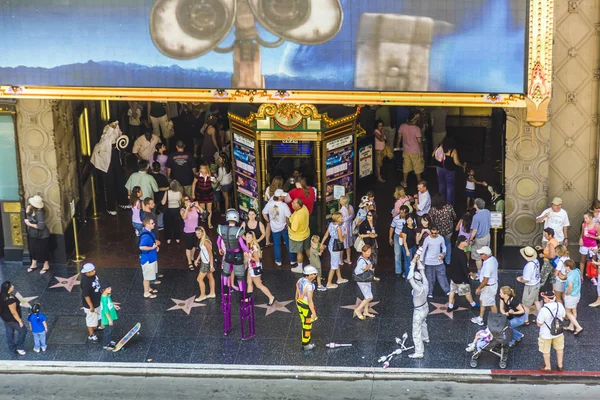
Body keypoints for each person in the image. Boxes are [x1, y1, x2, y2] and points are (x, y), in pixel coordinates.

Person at [217, 209, 253, 338]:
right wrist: (248, 251)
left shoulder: (222, 229)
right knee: (240, 276)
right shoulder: (237, 230)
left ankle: (226, 290)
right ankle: (242, 294)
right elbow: (242, 245)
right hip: (237, 255)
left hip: (228, 255)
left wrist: (220, 249)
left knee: (226, 273)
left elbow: (217, 242)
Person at [90, 119, 129, 215]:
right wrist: (111, 128)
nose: (116, 125)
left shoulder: (117, 129)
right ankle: (110, 207)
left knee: (120, 179)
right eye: (114, 124)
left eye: (117, 123)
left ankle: (123, 202)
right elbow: (105, 138)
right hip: (106, 160)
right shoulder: (106, 132)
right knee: (109, 183)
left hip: (115, 155)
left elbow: (120, 136)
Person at [536, 289, 566, 372]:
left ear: (546, 299)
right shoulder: (559, 305)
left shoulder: (544, 310)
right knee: (559, 349)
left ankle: (548, 367)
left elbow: (539, 323)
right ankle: (560, 366)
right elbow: (563, 317)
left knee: (546, 351)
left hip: (546, 334)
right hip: (559, 332)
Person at [244, 231, 275, 305]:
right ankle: (249, 297)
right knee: (249, 282)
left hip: (254, 268)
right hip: (251, 267)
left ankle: (271, 297)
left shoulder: (254, 247)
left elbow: (256, 259)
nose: (247, 238)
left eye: (249, 237)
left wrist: (248, 256)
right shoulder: (250, 246)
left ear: (252, 238)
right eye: (246, 237)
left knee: (259, 285)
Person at [407, 255, 429, 359]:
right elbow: (422, 271)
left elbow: (410, 277)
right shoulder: (425, 284)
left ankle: (419, 352)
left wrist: (412, 263)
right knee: (424, 323)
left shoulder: (417, 289)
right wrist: (419, 261)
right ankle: (426, 338)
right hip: (426, 307)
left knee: (416, 331)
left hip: (418, 311)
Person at [447, 237, 478, 311]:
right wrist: (470, 274)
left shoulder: (454, 250)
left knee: (452, 291)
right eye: (465, 241)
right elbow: (464, 267)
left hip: (453, 276)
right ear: (461, 242)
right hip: (461, 277)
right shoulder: (462, 254)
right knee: (466, 292)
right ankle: (473, 305)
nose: (467, 242)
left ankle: (450, 306)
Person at [262, 189, 292, 267]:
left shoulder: (269, 204)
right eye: (282, 196)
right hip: (284, 227)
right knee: (288, 243)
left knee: (277, 244)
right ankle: (292, 260)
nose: (283, 197)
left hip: (274, 227)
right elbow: (289, 216)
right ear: (279, 197)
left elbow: (263, 213)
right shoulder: (284, 205)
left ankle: (278, 260)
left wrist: (268, 221)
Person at [470, 246, 498, 326]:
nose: (480, 255)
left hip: (488, 287)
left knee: (492, 303)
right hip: (489, 286)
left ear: (485, 255)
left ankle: (495, 321)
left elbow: (486, 280)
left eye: (481, 254)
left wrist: (479, 288)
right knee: (482, 301)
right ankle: (480, 318)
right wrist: (478, 276)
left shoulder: (488, 265)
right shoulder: (492, 259)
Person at [421, 225, 450, 298]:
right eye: (432, 233)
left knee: (442, 276)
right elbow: (423, 249)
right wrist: (422, 260)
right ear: (430, 232)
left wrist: (443, 253)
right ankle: (429, 292)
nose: (434, 234)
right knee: (430, 278)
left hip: (438, 261)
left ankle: (447, 291)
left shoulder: (441, 238)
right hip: (429, 261)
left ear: (438, 232)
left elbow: (444, 247)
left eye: (435, 233)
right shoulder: (427, 239)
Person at [432, 137, 463, 206]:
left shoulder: (439, 146)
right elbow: (456, 162)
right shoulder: (453, 151)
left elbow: (433, 155)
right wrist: (462, 165)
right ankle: (449, 205)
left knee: (441, 185)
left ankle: (441, 202)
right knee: (450, 187)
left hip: (439, 168)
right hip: (449, 170)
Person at [321, 212, 348, 289]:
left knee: (336, 262)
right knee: (333, 265)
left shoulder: (331, 224)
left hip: (331, 244)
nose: (342, 218)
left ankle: (339, 278)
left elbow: (326, 235)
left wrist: (322, 243)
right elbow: (341, 240)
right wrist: (345, 234)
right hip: (336, 247)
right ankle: (329, 283)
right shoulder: (338, 228)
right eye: (341, 217)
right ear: (337, 219)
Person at [25, 195, 51, 274]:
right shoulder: (34, 210)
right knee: (33, 249)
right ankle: (34, 264)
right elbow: (27, 212)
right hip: (34, 235)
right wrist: (29, 206)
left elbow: (41, 226)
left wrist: (29, 224)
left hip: (42, 235)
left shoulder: (39, 213)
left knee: (43, 250)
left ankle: (46, 265)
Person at [397, 113, 424, 188]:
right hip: (416, 151)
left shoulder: (402, 126)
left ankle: (404, 182)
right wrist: (422, 151)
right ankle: (419, 183)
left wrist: (397, 145)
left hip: (406, 150)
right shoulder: (416, 129)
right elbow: (419, 142)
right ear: (414, 120)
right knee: (417, 168)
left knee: (406, 167)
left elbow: (399, 137)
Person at [428, 193, 457, 265]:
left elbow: (430, 220)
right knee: (447, 243)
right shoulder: (449, 207)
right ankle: (448, 260)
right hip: (448, 230)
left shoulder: (433, 210)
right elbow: (454, 216)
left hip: (438, 231)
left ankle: (440, 259)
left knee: (439, 244)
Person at [0, 281, 27, 355]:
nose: (13, 286)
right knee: (23, 330)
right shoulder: (10, 300)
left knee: (9, 332)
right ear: (8, 289)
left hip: (5, 317)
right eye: (11, 286)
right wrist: (20, 321)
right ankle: (20, 347)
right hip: (12, 319)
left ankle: (11, 348)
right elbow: (14, 312)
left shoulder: (2, 295)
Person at [295, 266, 318, 351]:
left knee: (303, 322)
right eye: (314, 274)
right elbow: (310, 301)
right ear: (309, 275)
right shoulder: (310, 286)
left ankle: (306, 341)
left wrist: (297, 303)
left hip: (299, 303)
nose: (315, 275)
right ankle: (306, 344)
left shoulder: (300, 280)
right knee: (307, 326)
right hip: (305, 306)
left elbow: (297, 293)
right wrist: (314, 313)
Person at [516, 246, 542, 323]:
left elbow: (526, 280)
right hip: (536, 283)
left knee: (525, 304)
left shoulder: (528, 266)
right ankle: (540, 317)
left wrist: (520, 279)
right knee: (536, 300)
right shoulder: (536, 261)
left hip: (530, 287)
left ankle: (526, 320)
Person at [193, 226, 216, 302]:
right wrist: (197, 259)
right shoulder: (202, 240)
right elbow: (202, 251)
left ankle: (202, 295)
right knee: (210, 277)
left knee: (199, 279)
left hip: (206, 263)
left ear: (203, 232)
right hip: (205, 262)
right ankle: (212, 293)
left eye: (199, 233)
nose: (197, 235)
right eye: (196, 233)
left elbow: (210, 254)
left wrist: (211, 266)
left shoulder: (206, 241)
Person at [80, 263, 102, 343]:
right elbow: (86, 295)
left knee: (96, 316)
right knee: (90, 319)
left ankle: (95, 327)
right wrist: (91, 306)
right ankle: (91, 334)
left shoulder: (93, 276)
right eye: (92, 271)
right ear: (87, 272)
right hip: (91, 305)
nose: (94, 271)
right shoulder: (86, 282)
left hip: (97, 301)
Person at [139, 217, 160, 299]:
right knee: (147, 277)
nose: (154, 224)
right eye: (152, 223)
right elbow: (141, 247)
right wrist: (152, 248)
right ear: (147, 225)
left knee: (149, 275)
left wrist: (155, 247)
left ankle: (149, 288)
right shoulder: (145, 236)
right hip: (147, 260)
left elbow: (153, 241)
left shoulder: (150, 233)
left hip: (152, 258)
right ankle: (146, 292)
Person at [352, 245, 376, 320]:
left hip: (366, 280)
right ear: (363, 252)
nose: (369, 253)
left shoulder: (365, 258)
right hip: (362, 281)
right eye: (367, 252)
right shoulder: (362, 260)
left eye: (370, 251)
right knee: (369, 297)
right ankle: (358, 309)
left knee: (367, 296)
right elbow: (357, 271)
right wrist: (366, 268)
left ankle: (366, 312)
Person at [469, 198, 492, 273]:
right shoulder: (487, 212)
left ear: (476, 205)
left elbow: (474, 230)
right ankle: (487, 271)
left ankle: (480, 273)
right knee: (486, 254)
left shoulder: (476, 217)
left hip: (479, 239)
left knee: (478, 257)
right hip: (487, 236)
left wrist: (471, 239)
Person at [288, 198, 311, 274]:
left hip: (297, 237)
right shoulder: (304, 207)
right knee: (307, 248)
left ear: (298, 206)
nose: (292, 204)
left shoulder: (297, 216)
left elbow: (294, 229)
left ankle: (300, 268)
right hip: (306, 233)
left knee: (299, 252)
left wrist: (287, 222)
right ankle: (313, 263)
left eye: (293, 204)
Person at [181, 195, 203, 270]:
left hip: (195, 231)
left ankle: (192, 257)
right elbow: (184, 217)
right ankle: (189, 261)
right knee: (188, 247)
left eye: (189, 199)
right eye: (186, 200)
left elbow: (202, 212)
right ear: (183, 202)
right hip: (188, 231)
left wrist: (197, 206)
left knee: (194, 246)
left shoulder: (194, 208)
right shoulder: (183, 209)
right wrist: (187, 207)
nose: (188, 201)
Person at [192, 164, 216, 229]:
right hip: (201, 194)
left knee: (209, 209)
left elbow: (214, 183)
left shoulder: (210, 175)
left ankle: (209, 223)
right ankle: (203, 219)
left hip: (209, 194)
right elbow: (194, 184)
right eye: (200, 168)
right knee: (202, 209)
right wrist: (193, 194)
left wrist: (214, 181)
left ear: (206, 169)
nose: (201, 170)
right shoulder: (198, 175)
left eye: (202, 168)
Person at [359, 210, 380, 280]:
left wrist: (375, 235)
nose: (368, 216)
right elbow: (360, 235)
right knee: (366, 259)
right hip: (366, 243)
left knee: (374, 259)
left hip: (374, 243)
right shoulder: (363, 224)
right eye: (368, 215)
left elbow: (379, 233)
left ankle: (372, 275)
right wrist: (369, 235)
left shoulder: (376, 223)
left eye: (370, 215)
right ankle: (365, 275)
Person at [578, 211, 600, 279]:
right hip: (584, 245)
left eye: (586, 218)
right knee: (582, 261)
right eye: (584, 218)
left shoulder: (596, 226)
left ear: (591, 217)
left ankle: (593, 277)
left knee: (593, 262)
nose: (585, 220)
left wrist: (591, 236)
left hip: (593, 245)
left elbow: (599, 237)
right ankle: (581, 276)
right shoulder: (583, 225)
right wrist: (580, 239)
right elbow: (582, 233)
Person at [564, 259, 583, 335]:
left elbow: (570, 286)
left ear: (568, 267)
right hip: (577, 294)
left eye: (565, 266)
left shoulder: (570, 276)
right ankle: (571, 326)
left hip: (571, 296)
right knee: (574, 311)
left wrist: (567, 293)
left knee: (568, 312)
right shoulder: (577, 271)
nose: (565, 268)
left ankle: (578, 327)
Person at [161, 180, 183, 244]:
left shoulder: (167, 192)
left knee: (168, 225)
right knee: (177, 225)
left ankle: (168, 239)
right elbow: (181, 203)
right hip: (176, 210)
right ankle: (177, 238)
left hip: (168, 210)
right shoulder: (179, 193)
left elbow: (163, 202)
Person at [100, 282, 120, 351]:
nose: (110, 289)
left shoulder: (106, 296)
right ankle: (106, 344)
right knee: (107, 331)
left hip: (109, 317)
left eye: (110, 287)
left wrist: (114, 306)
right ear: (103, 290)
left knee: (109, 330)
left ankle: (109, 342)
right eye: (108, 288)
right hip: (107, 318)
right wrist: (109, 319)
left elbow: (109, 304)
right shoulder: (104, 299)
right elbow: (105, 311)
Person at [389, 205, 408, 278]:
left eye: (403, 213)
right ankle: (398, 271)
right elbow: (392, 227)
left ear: (406, 213)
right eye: (400, 212)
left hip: (406, 237)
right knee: (397, 254)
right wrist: (390, 238)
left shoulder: (410, 219)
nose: (401, 214)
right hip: (397, 236)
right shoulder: (396, 218)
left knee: (406, 254)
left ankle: (407, 271)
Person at [150, 161, 169, 229]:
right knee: (161, 210)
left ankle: (152, 224)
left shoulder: (149, 176)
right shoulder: (163, 177)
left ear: (152, 167)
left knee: (152, 210)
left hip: (151, 196)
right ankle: (160, 224)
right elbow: (167, 187)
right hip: (161, 196)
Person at [338, 195, 355, 265]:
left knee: (342, 244)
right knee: (348, 245)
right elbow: (353, 216)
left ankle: (341, 260)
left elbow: (340, 220)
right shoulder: (351, 207)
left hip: (343, 228)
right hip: (350, 227)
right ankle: (348, 259)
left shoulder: (341, 211)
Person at [401, 214, 418, 279]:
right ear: (406, 221)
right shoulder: (404, 228)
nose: (410, 222)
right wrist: (407, 250)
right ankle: (408, 277)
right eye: (408, 221)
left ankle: (409, 274)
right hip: (407, 247)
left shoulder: (414, 226)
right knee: (408, 261)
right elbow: (404, 241)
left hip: (413, 246)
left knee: (414, 260)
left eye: (411, 220)